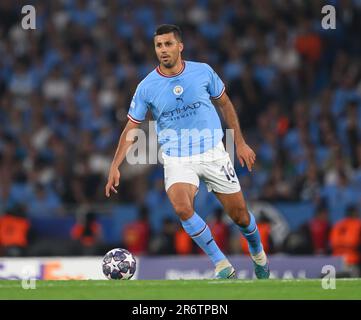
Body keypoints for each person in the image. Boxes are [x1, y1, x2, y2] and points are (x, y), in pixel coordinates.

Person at [105, 24, 270, 279]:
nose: (163, 50)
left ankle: (258, 253)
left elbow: (225, 104)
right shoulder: (146, 87)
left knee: (240, 216)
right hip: (177, 157)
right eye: (159, 45)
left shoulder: (203, 72)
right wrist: (115, 164)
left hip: (213, 151)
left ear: (180, 46)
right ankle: (222, 265)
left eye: (168, 44)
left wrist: (240, 142)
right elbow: (132, 126)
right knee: (182, 208)